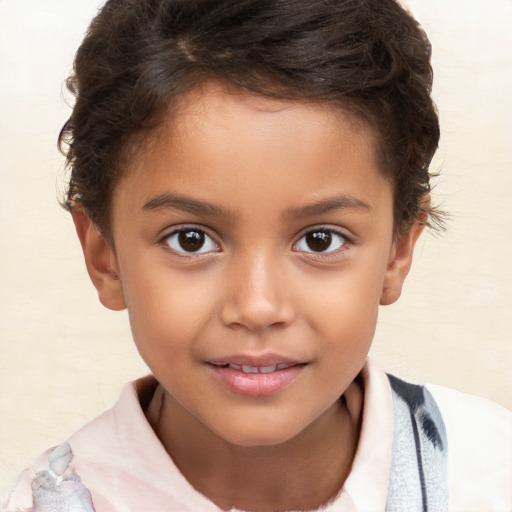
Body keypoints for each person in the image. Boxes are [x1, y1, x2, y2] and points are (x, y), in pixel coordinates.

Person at [5, 0, 511, 511]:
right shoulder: (47, 502)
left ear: (398, 251)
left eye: (320, 240)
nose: (257, 307)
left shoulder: (489, 474)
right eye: (190, 239)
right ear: (104, 255)